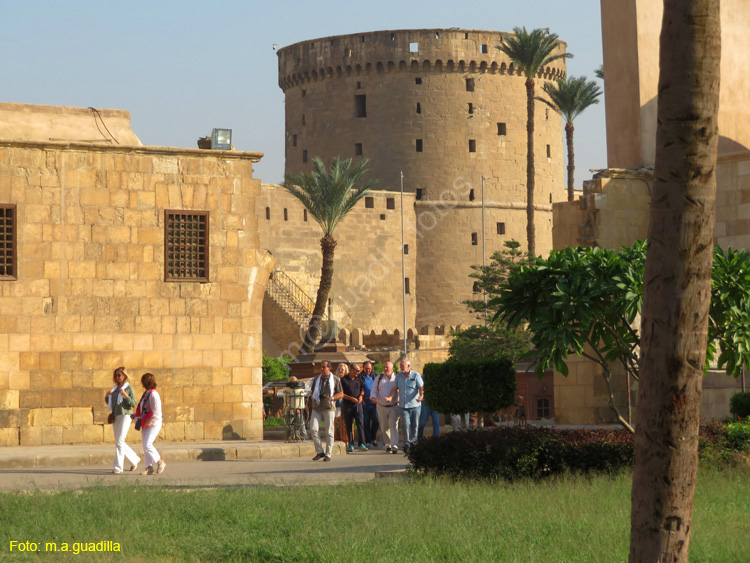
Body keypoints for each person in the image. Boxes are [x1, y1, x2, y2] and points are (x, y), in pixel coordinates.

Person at [105, 366, 139, 474]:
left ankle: (118, 467)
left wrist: (125, 395)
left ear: (124, 375)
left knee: (120, 441)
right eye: (115, 375)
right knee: (119, 442)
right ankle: (134, 459)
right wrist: (107, 397)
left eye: (119, 375)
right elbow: (112, 403)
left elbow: (133, 403)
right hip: (116, 416)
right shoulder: (114, 389)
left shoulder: (128, 388)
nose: (117, 377)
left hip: (126, 415)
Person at [386, 359, 423, 451]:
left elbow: (421, 388)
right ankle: (407, 443)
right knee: (405, 424)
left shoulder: (416, 375)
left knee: (415, 425)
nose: (401, 367)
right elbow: (395, 389)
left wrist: (421, 396)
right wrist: (390, 397)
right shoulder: (398, 376)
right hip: (403, 406)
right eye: (400, 365)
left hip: (415, 405)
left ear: (409, 366)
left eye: (403, 365)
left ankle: (414, 443)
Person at [310, 361, 343, 462]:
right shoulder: (317, 379)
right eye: (321, 367)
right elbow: (312, 391)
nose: (322, 369)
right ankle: (320, 451)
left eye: (324, 367)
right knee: (313, 429)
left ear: (329, 368)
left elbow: (341, 394)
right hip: (317, 407)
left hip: (329, 407)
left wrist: (332, 398)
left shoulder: (335, 380)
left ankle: (328, 454)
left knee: (329, 431)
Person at [134, 373, 165, 475]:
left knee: (148, 444)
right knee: (145, 445)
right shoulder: (146, 394)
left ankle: (160, 461)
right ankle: (149, 467)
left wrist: (151, 420)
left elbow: (157, 410)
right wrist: (135, 415)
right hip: (145, 421)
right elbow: (144, 409)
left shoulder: (154, 394)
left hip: (154, 422)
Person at [371, 361, 400, 454]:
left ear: (392, 369)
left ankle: (394, 444)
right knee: (384, 427)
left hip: (394, 406)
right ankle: (388, 444)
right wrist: (373, 396)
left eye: (387, 367)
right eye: (384, 367)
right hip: (381, 406)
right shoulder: (379, 378)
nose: (385, 369)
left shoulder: (396, 378)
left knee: (393, 425)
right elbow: (374, 389)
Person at [341, 362, 367, 452]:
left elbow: (362, 389)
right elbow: (341, 394)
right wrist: (351, 398)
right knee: (349, 425)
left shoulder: (359, 378)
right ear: (351, 370)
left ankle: (361, 443)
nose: (358, 372)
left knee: (360, 423)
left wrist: (361, 396)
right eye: (357, 371)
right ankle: (351, 443)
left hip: (357, 404)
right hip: (348, 405)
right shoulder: (343, 380)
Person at [360, 361, 380, 448]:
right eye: (366, 369)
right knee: (366, 422)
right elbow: (358, 388)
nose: (368, 370)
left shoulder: (376, 376)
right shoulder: (360, 377)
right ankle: (368, 440)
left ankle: (373, 438)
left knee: (376, 420)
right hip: (365, 401)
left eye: (369, 368)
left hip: (375, 401)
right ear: (363, 368)